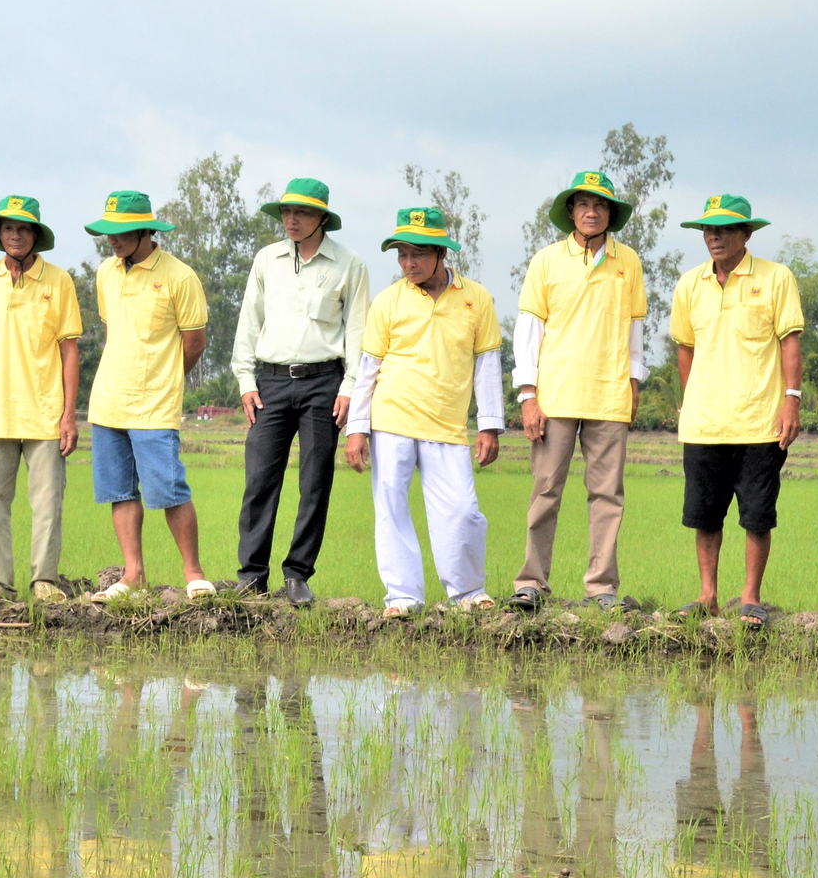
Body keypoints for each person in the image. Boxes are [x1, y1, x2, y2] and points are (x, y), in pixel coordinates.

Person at [343, 207, 503, 615]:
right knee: (391, 507)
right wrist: (357, 429)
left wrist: (489, 426)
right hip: (392, 417)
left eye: (417, 254)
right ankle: (403, 597)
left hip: (448, 424)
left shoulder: (476, 299)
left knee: (463, 511)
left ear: (441, 253)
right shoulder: (388, 301)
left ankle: (468, 593)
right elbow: (368, 369)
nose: (408, 263)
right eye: (401, 254)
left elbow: (486, 366)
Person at [509, 169, 649, 611]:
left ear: (610, 213)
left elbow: (635, 330)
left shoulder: (628, 263)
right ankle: (530, 582)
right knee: (546, 489)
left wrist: (633, 383)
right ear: (571, 211)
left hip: (609, 395)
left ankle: (602, 587)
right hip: (555, 395)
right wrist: (528, 395)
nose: (592, 212)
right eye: (584, 204)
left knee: (607, 495)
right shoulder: (546, 260)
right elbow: (528, 331)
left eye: (601, 205)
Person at [231, 178, 371, 604]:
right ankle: (252, 575)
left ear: (322, 218)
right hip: (270, 383)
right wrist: (245, 379)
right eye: (286, 213)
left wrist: (349, 387)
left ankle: (297, 575)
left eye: (302, 213)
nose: (291, 220)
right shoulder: (266, 260)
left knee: (315, 482)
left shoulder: (350, 265)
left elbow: (358, 334)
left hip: (323, 384)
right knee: (259, 479)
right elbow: (249, 322)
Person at [668, 195, 804, 627]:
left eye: (725, 229)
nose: (714, 236)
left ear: (747, 234)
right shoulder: (690, 284)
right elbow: (685, 349)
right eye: (708, 230)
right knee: (704, 516)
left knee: (756, 515)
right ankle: (707, 595)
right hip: (705, 424)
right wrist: (694, 401)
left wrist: (792, 400)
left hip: (760, 423)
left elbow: (790, 343)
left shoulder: (776, 277)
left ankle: (749, 597)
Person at [82, 190, 214, 601]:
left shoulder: (179, 276)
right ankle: (133, 574)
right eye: (108, 233)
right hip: (107, 403)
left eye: (121, 233)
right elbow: (112, 332)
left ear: (145, 231)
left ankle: (194, 574)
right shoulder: (106, 272)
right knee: (119, 491)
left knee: (170, 489)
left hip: (155, 406)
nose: (113, 240)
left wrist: (165, 379)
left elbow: (194, 343)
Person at [0, 195, 82, 607]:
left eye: (23, 229)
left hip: (45, 412)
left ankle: (44, 581)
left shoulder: (58, 281)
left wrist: (69, 415)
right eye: (8, 228)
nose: (15, 235)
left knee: (46, 501)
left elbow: (70, 350)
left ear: (35, 235)